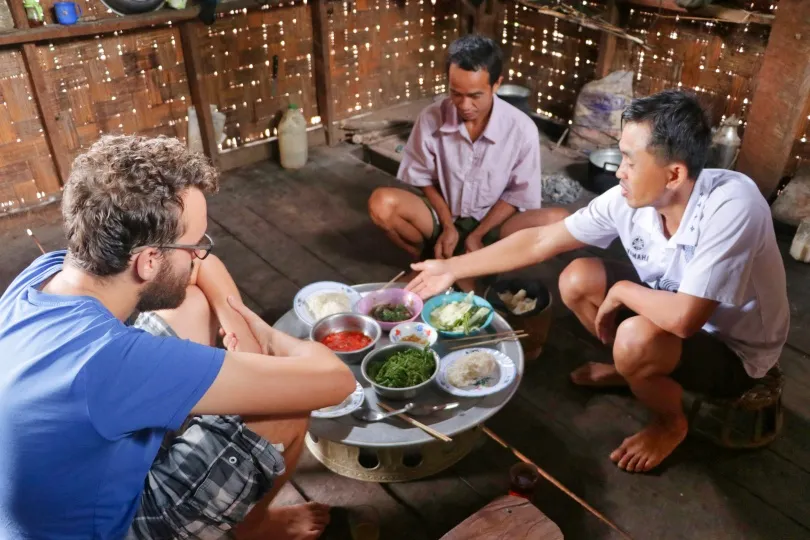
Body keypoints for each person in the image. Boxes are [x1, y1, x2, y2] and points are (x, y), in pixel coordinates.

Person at [405, 90, 789, 473]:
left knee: (635, 338)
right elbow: (542, 239)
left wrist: (622, 291)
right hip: (670, 309)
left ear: (674, 174)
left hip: (733, 351)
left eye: (631, 161)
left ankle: (670, 422)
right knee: (577, 278)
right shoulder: (627, 198)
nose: (620, 170)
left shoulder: (733, 204)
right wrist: (453, 268)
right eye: (620, 155)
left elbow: (685, 319)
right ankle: (633, 370)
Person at [0, 135, 356, 539]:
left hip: (64, 491)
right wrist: (266, 334)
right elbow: (335, 382)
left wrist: (232, 316)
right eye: (194, 246)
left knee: (191, 301)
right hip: (116, 530)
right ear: (149, 261)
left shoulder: (43, 276)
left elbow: (204, 272)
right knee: (286, 406)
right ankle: (253, 532)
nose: (200, 255)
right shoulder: (116, 361)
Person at [368, 34, 568, 289]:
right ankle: (426, 259)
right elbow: (422, 178)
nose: (464, 105)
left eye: (475, 95)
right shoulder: (431, 118)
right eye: (456, 93)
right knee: (382, 203)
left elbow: (517, 194)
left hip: (494, 224)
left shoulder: (520, 129)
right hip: (443, 215)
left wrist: (478, 234)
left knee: (559, 221)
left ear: (496, 84)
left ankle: (484, 263)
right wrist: (449, 225)